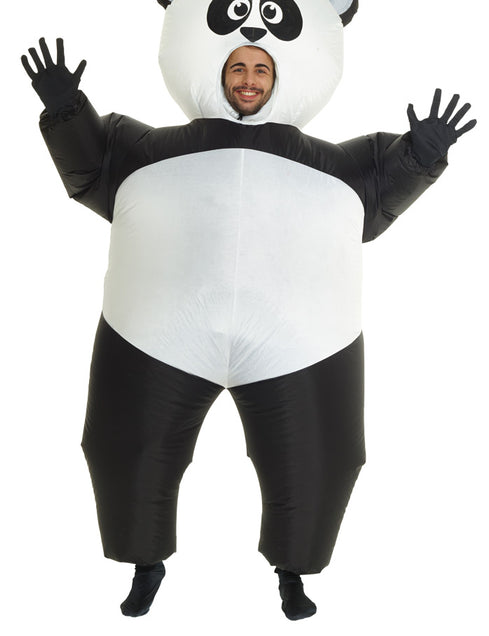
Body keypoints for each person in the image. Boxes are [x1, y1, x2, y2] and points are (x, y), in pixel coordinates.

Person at [21, 32, 475, 625]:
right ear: (217, 73)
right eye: (238, 67)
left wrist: (421, 154)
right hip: (158, 331)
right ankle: (145, 565)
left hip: (301, 339)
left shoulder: (331, 163)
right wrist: (66, 109)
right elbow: (92, 166)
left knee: (319, 459)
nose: (249, 78)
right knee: (126, 446)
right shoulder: (149, 150)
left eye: (261, 68)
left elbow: (376, 195)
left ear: (279, 79)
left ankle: (292, 573)